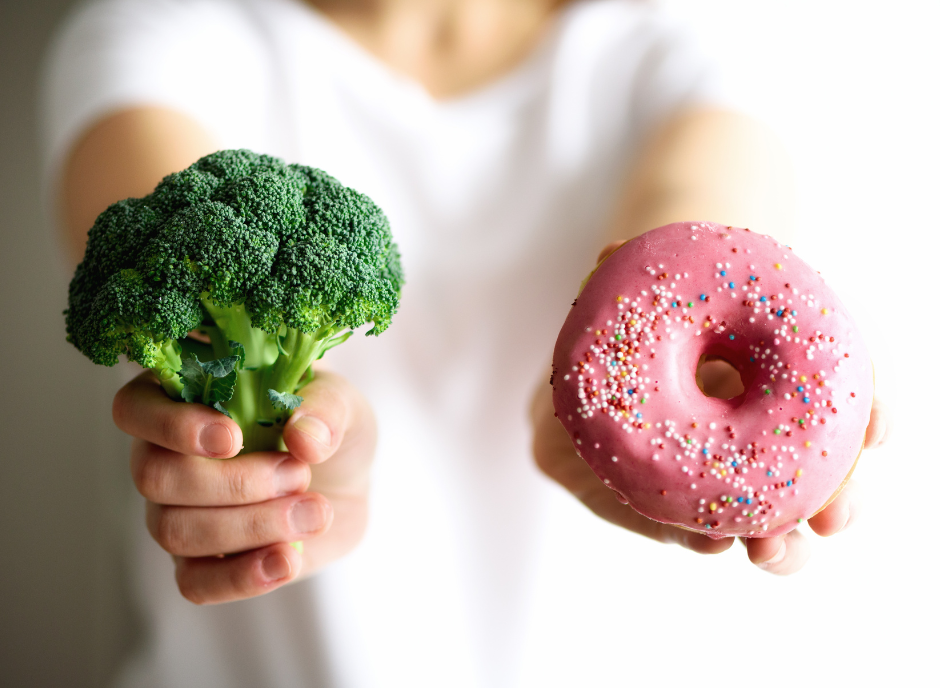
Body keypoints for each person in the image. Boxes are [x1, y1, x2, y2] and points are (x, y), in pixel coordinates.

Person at [44, 0, 890, 684]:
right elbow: (167, 245)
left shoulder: (689, 37)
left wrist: (583, 408)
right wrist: (300, 448)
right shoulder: (156, 31)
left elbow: (700, 234)